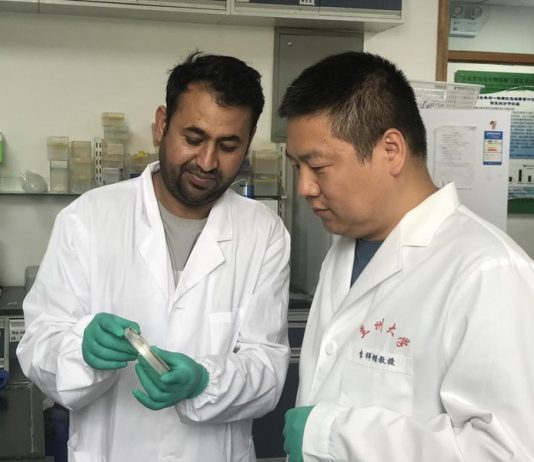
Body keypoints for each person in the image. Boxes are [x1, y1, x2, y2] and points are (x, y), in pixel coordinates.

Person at [17, 51, 290, 462]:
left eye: (228, 146)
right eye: (193, 138)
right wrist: (81, 353)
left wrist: (205, 381)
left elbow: (267, 369)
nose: (207, 162)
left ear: (247, 142)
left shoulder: (264, 232)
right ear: (162, 124)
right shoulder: (88, 218)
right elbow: (39, 345)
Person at [279, 51, 534, 462]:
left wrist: (331, 437)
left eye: (319, 167)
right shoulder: (343, 250)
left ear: (392, 150)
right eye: (297, 167)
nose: (305, 187)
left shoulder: (488, 271)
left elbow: (506, 451)